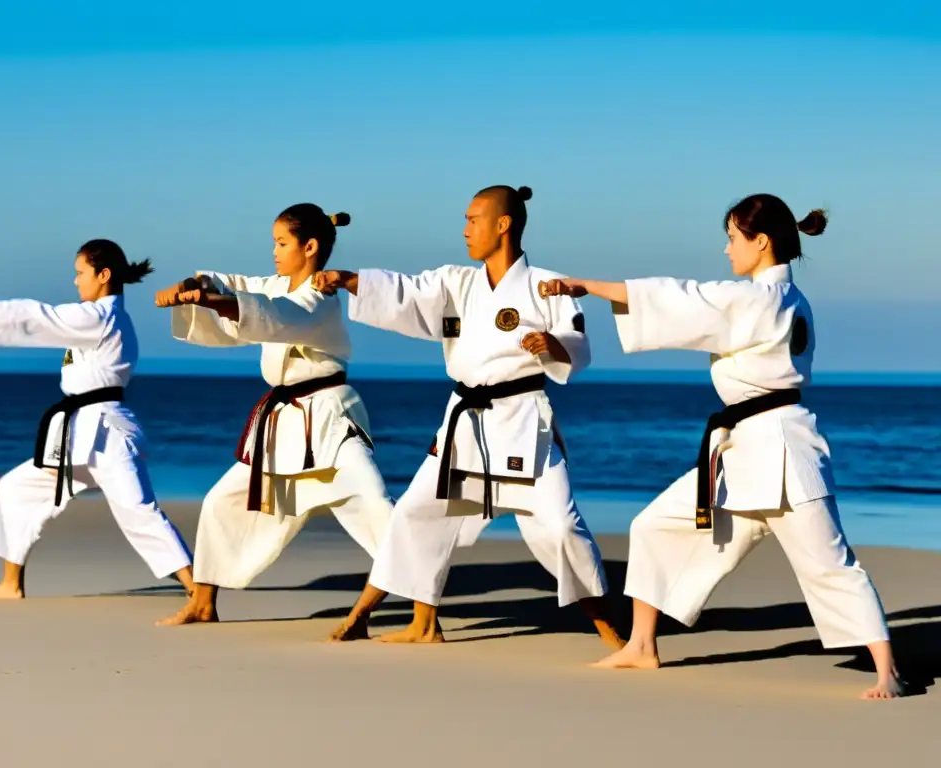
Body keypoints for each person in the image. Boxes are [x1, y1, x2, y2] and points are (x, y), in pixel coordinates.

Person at [539, 193, 905, 700]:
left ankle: (887, 670)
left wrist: (589, 287)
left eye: (734, 237)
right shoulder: (781, 299)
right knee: (652, 527)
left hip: (782, 453)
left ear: (762, 241)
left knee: (829, 562)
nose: (727, 248)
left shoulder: (761, 300)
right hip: (739, 453)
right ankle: (642, 645)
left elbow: (684, 298)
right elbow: (694, 300)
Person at [312, 185, 623, 647]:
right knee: (416, 514)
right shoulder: (456, 282)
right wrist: (351, 279)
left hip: (521, 424)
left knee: (560, 525)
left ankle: (611, 631)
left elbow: (577, 347)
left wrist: (551, 346)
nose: (464, 230)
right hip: (465, 424)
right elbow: (405, 292)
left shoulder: (547, 285)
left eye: (472, 220)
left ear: (503, 224)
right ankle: (391, 619)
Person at [153, 204, 393, 631]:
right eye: (274, 243)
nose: (275, 251)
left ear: (311, 246)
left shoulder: (319, 298)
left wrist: (213, 301)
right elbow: (240, 285)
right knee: (220, 502)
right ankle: (203, 603)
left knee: (375, 504)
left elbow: (274, 317)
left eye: (282, 243)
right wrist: (195, 285)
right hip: (283, 424)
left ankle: (392, 604)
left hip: (328, 420)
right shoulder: (279, 285)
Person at [0, 239, 195, 601]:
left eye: (80, 273)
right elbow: (45, 319)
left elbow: (38, 315)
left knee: (139, 512)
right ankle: (11, 585)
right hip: (77, 434)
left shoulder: (100, 317)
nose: (75, 281)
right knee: (14, 489)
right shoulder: (99, 317)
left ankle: (198, 590)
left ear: (103, 275)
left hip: (106, 435)